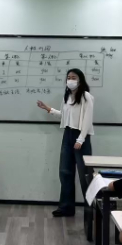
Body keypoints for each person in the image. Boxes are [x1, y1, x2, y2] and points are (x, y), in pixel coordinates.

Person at [37, 68, 94, 217]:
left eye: (73, 77)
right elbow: (65, 116)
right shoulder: (67, 96)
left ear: (80, 80)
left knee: (85, 174)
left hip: (81, 136)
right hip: (68, 134)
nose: (70, 80)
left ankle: (91, 210)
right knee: (65, 172)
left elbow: (87, 120)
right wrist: (48, 109)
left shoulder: (86, 96)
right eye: (68, 77)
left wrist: (81, 139)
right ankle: (66, 207)